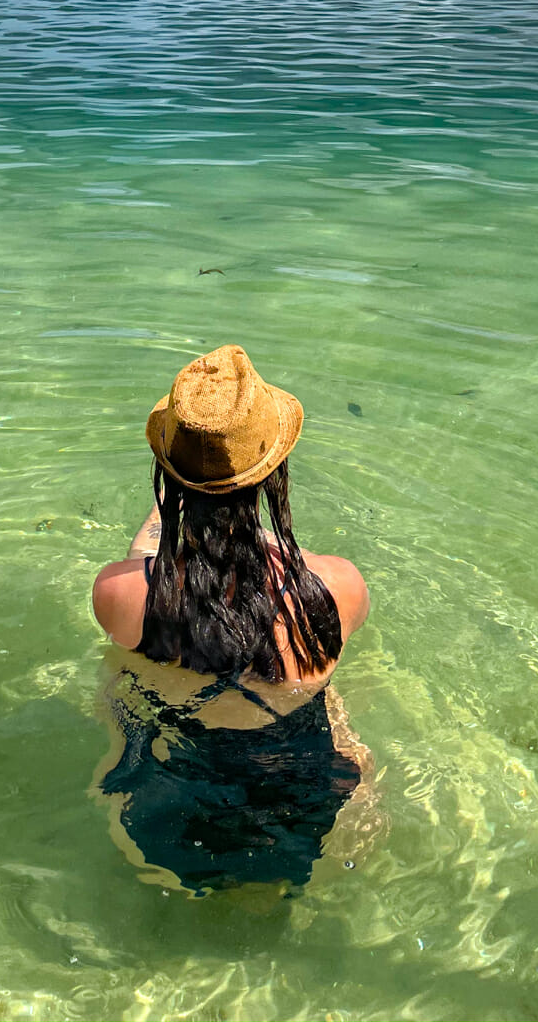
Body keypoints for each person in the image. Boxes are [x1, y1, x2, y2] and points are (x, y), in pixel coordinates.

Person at [90, 344, 371, 894]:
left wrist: (178, 512)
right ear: (274, 473)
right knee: (328, 696)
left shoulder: (118, 593)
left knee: (118, 680)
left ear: (166, 470)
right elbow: (268, 589)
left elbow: (155, 568)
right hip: (311, 795)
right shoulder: (339, 586)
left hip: (169, 792)